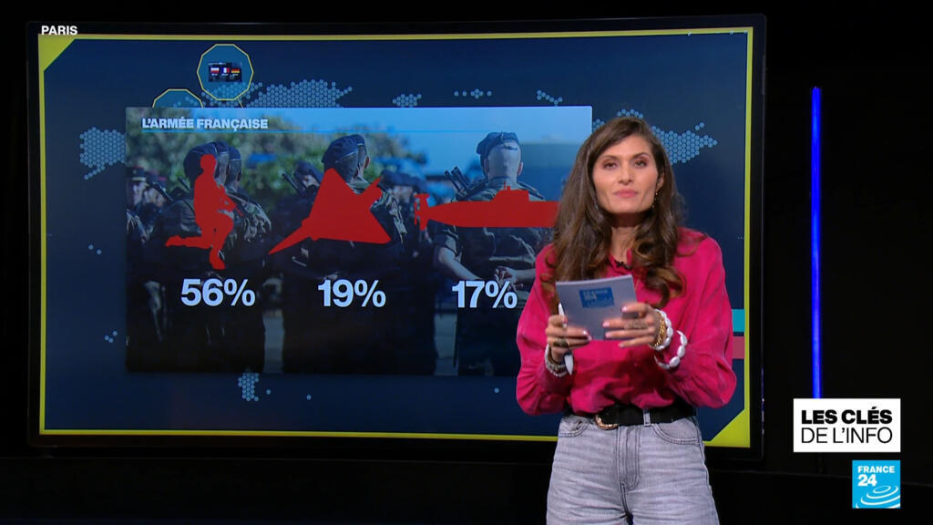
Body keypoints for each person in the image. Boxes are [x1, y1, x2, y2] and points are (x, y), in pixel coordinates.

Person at [516, 117, 736, 524]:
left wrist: (665, 338)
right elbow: (531, 397)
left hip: (668, 448)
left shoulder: (699, 256)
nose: (625, 177)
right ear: (591, 180)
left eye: (639, 163)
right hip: (582, 454)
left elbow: (716, 387)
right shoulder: (556, 262)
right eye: (610, 164)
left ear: (660, 178)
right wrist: (555, 357)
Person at [433, 131, 549, 376]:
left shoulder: (461, 206)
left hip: (478, 311)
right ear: (520, 169)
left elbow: (443, 258)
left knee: (474, 392)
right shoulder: (542, 207)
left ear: (485, 166)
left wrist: (482, 285)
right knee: (522, 387)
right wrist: (518, 275)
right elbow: (558, 265)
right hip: (524, 312)